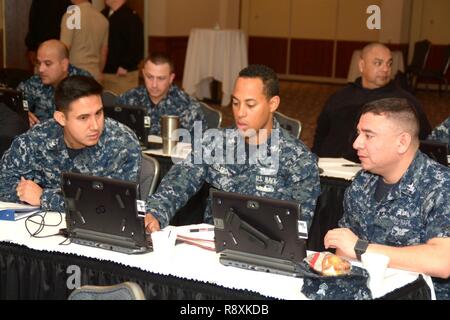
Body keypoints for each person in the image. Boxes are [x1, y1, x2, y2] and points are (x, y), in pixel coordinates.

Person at [144, 64, 321, 233]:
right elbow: (181, 179)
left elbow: (298, 229)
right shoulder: (215, 142)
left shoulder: (299, 160)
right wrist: (155, 213)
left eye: (250, 105)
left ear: (273, 104)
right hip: (212, 249)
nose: (240, 113)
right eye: (236, 103)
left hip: (267, 255)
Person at [324, 98, 450, 300]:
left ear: (402, 142)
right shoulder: (363, 182)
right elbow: (344, 249)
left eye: (369, 135)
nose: (356, 143)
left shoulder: (441, 185)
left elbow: (442, 262)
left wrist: (362, 249)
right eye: (359, 133)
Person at [0, 75, 141, 213]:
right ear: (61, 118)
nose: (95, 126)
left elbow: (116, 205)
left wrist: (44, 197)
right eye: (83, 117)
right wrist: (27, 193)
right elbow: (3, 182)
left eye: (98, 113)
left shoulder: (122, 143)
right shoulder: (39, 137)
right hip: (41, 228)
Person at [312, 43, 431, 162]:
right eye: (378, 63)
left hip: (376, 172)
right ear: (362, 65)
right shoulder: (340, 97)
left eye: (389, 64)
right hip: (329, 165)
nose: (385, 69)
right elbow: (321, 134)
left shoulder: (404, 102)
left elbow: (424, 142)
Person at [117, 52, 208, 135]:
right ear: (144, 74)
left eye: (161, 78)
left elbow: (201, 146)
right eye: (149, 77)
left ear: (171, 78)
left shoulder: (188, 106)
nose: (154, 84)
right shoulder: (128, 99)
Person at [17, 39, 91, 126]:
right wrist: (22, 113)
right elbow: (15, 101)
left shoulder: (83, 81)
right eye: (39, 63)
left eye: (48, 64)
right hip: (41, 136)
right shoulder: (35, 82)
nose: (41, 69)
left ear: (64, 64)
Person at [60, 0, 109, 83]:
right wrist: (98, 71)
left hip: (74, 76)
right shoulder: (103, 19)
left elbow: (64, 48)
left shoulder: (71, 15)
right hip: (95, 75)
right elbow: (104, 52)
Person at [101, 0, 143, 94]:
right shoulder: (102, 15)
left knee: (124, 106)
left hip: (123, 75)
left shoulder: (131, 17)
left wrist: (125, 65)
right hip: (104, 73)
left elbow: (136, 46)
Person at [25, 0, 71, 68]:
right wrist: (31, 47)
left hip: (66, 47)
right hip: (45, 46)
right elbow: (33, 20)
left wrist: (31, 47)